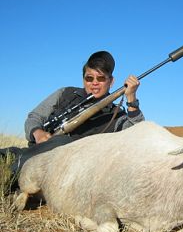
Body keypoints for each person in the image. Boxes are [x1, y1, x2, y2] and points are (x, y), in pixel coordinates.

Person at [0, 50, 145, 180]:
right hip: (35, 152)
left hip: (69, 170)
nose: (94, 83)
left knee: (62, 143)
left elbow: (136, 135)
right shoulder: (65, 93)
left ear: (111, 81)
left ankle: (8, 176)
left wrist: (131, 98)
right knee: (8, 154)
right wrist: (38, 133)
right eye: (89, 78)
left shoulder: (117, 114)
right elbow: (34, 117)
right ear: (83, 79)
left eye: (100, 78)